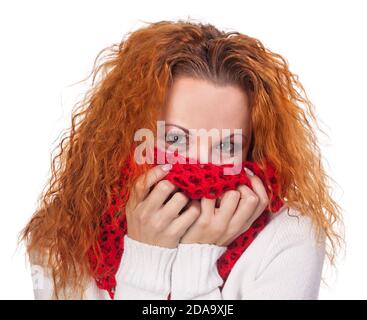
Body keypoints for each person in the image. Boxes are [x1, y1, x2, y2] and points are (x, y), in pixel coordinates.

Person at [20, 19, 343, 300]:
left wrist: (197, 256)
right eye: (175, 139)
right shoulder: (63, 236)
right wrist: (147, 254)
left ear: (251, 149)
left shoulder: (289, 235)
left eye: (226, 145)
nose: (200, 164)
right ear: (127, 136)